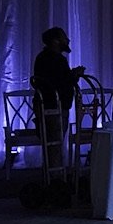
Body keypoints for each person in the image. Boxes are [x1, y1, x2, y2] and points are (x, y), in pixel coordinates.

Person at [31, 27, 84, 168]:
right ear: (55, 41)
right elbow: (60, 83)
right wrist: (74, 75)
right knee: (55, 144)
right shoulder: (57, 60)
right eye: (64, 37)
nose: (68, 40)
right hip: (55, 107)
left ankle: (51, 177)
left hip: (45, 106)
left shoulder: (42, 58)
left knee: (52, 145)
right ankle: (55, 180)